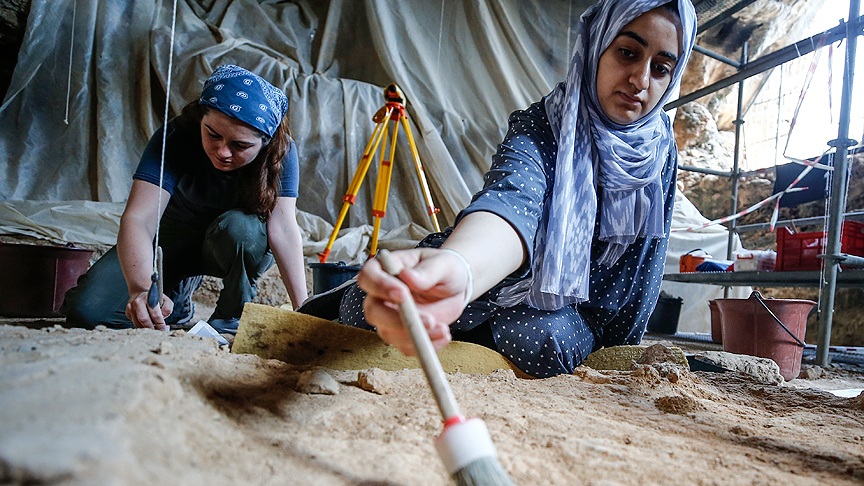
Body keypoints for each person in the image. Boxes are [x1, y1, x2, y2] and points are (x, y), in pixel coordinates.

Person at [337, 0, 696, 377]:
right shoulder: (545, 123)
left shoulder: (659, 153)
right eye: (627, 53)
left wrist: (617, 348)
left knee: (540, 336)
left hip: (564, 312)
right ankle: (460, 319)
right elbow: (512, 200)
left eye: (661, 69)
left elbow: (643, 268)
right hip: (499, 278)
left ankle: (470, 331)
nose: (640, 80)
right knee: (364, 302)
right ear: (596, 46)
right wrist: (460, 269)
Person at [63, 65, 308, 334]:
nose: (223, 152)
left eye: (240, 145)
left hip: (231, 241)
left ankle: (231, 315)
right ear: (201, 118)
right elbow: (139, 218)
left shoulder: (281, 151)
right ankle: (175, 303)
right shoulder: (176, 135)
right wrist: (141, 289)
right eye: (213, 135)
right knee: (87, 312)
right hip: (171, 240)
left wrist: (305, 310)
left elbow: (283, 228)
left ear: (265, 143)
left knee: (241, 228)